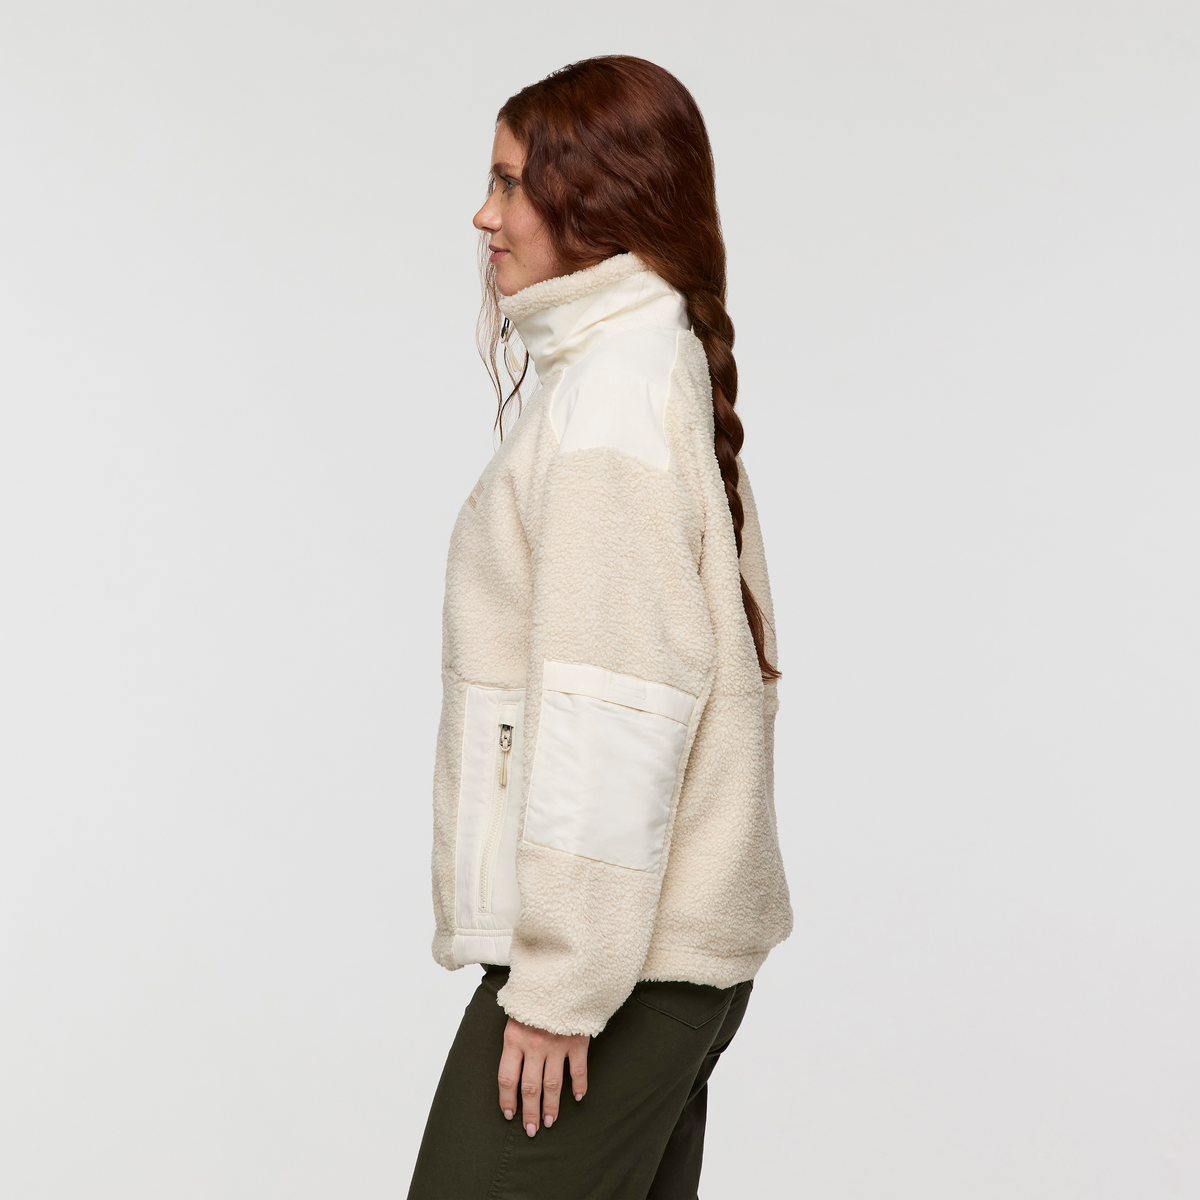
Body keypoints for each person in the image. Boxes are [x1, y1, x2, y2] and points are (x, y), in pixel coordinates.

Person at [407, 55, 792, 1200]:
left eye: (509, 183)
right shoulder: (637, 371)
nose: (484, 215)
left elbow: (612, 708)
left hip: (617, 973)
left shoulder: (610, 403)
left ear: (595, 200)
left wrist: (560, 988)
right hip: (659, 962)